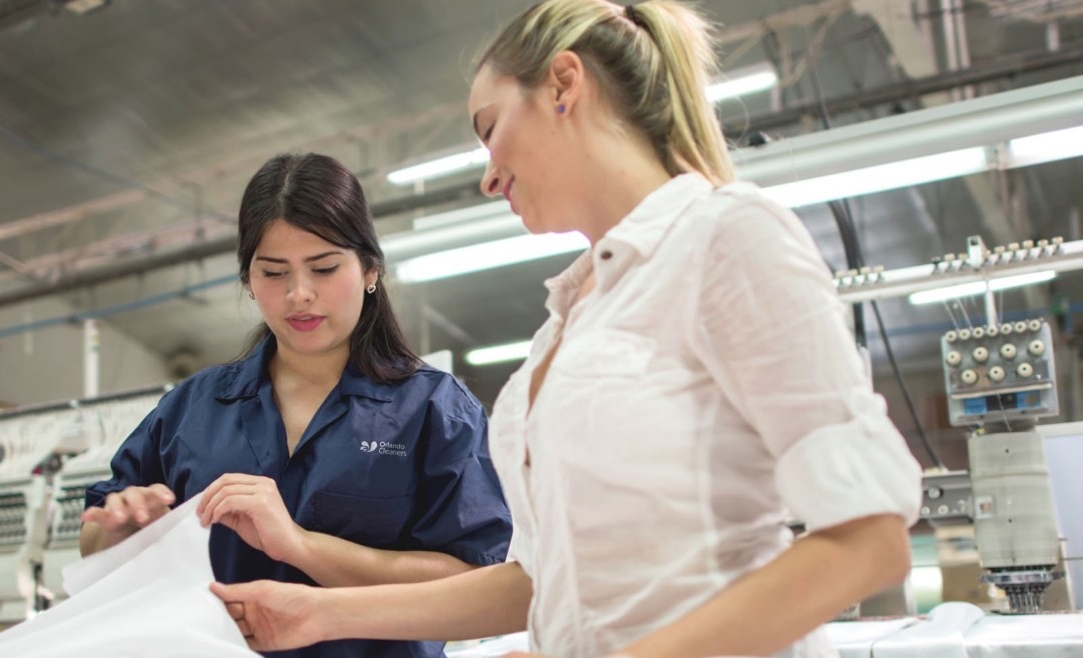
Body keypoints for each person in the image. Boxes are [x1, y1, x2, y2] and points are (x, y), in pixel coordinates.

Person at [209, 2, 923, 657]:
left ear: (563, 85)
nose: (489, 176)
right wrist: (323, 614)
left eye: (490, 130)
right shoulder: (573, 315)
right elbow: (537, 584)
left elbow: (868, 539)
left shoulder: (725, 236)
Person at [80, 153, 513, 658]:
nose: (299, 294)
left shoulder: (434, 408)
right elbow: (95, 549)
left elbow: (474, 581)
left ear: (370, 269)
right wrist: (120, 531)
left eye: (324, 268)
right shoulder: (190, 411)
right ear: (248, 281)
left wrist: (301, 545)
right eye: (273, 272)